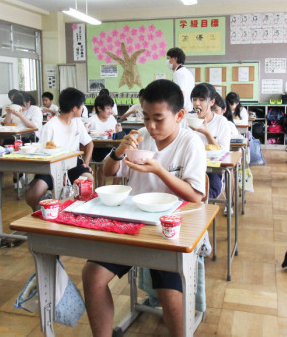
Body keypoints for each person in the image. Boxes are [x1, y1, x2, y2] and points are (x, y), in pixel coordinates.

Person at [82, 79, 205, 337]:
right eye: (146, 117)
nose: (151, 125)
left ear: (180, 115)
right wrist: (119, 151)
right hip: (132, 223)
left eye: (158, 119)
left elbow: (195, 196)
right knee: (92, 275)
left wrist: (160, 170)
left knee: (170, 298)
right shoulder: (140, 137)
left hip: (170, 230)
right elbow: (109, 172)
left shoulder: (190, 143)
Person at [25, 88, 94, 210]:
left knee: (88, 180)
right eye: (82, 105)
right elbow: (43, 153)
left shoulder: (77, 122)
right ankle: (41, 212)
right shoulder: (51, 126)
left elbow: (89, 143)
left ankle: (80, 211)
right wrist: (60, 173)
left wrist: (86, 163)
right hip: (51, 166)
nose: (83, 107)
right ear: (74, 108)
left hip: (73, 163)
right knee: (32, 195)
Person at [189, 83, 232, 199]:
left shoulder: (221, 122)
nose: (197, 103)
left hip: (212, 170)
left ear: (212, 102)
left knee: (210, 191)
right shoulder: (187, 120)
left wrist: (207, 133)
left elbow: (224, 152)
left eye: (202, 100)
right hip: (190, 167)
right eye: (194, 99)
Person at [167, 47, 195, 112]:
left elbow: (181, 93)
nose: (168, 62)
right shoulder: (187, 72)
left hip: (182, 110)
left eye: (168, 59)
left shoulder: (178, 73)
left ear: (174, 59)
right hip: (189, 109)